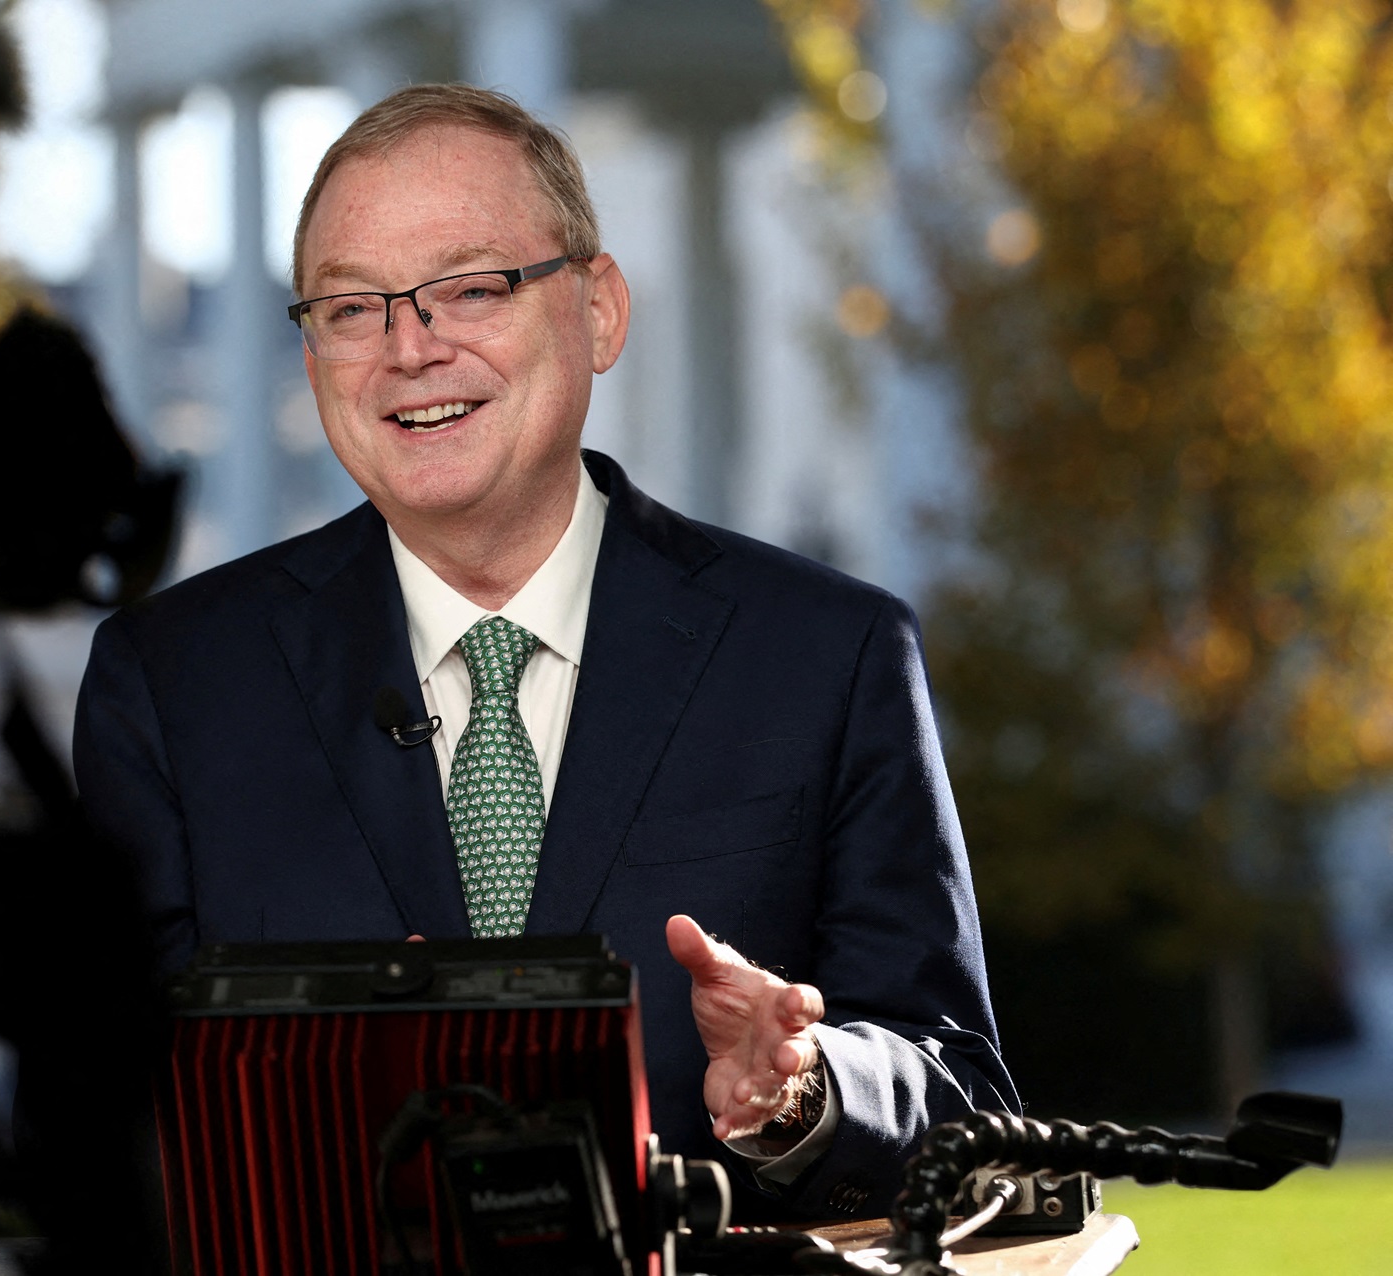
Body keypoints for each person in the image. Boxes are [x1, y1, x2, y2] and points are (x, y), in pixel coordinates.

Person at [74, 83, 1017, 1221]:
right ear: (313, 354)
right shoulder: (172, 686)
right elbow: (94, 1131)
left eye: (472, 287)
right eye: (352, 307)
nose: (411, 347)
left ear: (600, 311)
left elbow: (963, 1099)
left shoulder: (829, 655)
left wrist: (806, 1090)